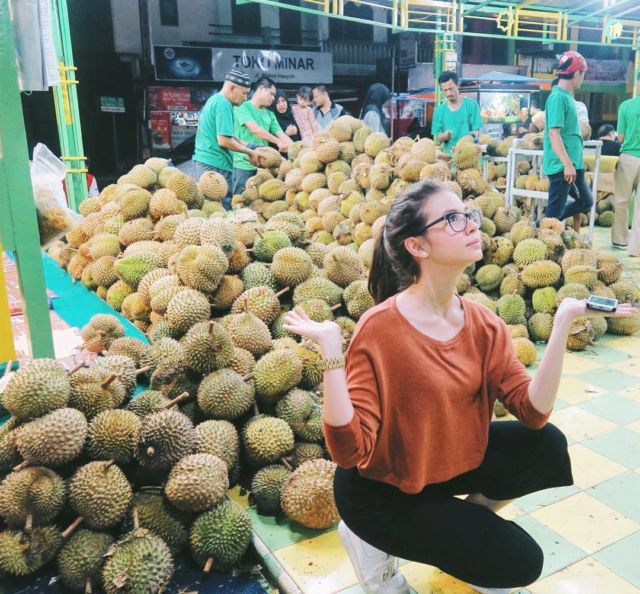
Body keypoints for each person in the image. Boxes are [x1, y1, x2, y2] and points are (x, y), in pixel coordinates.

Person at [282, 179, 637, 594]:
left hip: (438, 465)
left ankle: (456, 530)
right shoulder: (379, 330)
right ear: (418, 246)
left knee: (546, 447)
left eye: (468, 214)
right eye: (452, 219)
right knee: (520, 561)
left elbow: (533, 413)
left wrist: (561, 325)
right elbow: (349, 451)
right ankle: (370, 543)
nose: (470, 224)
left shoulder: (484, 324)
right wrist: (330, 353)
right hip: (377, 492)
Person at [193, 69, 263, 210]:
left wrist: (250, 146)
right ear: (232, 87)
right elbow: (224, 140)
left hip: (207, 162)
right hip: (215, 164)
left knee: (212, 208)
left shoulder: (215, 100)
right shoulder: (223, 104)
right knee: (220, 211)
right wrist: (250, 153)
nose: (245, 98)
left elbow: (229, 135)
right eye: (244, 93)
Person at [542, 51, 593, 233]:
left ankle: (546, 223)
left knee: (587, 201)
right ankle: (544, 229)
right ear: (577, 73)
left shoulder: (567, 96)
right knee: (554, 212)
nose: (583, 79)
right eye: (583, 74)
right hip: (562, 166)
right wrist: (566, 164)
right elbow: (554, 134)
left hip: (573, 164)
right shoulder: (558, 98)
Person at [232, 80, 293, 197]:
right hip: (243, 164)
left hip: (263, 167)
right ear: (261, 89)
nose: (273, 98)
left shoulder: (270, 114)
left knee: (260, 203)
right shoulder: (242, 107)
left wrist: (299, 150)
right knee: (241, 202)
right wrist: (278, 142)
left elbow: (281, 135)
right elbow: (255, 129)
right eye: (272, 93)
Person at [611, 73, 640, 253]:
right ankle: (636, 247)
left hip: (629, 157)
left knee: (622, 200)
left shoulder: (626, 106)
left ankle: (620, 241)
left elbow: (620, 137)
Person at [431, 71, 483, 155]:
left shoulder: (472, 105)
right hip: (449, 160)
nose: (448, 93)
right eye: (445, 90)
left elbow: (477, 132)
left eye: (451, 89)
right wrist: (443, 136)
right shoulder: (439, 111)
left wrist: (466, 144)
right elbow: (437, 138)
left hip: (470, 157)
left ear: (458, 85)